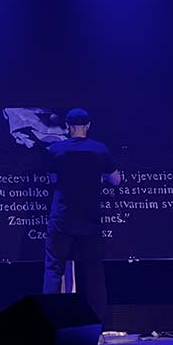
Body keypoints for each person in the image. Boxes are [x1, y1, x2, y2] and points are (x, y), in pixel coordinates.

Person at [42, 108, 122, 328]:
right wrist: (99, 177)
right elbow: (116, 180)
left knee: (53, 270)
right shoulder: (99, 149)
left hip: (62, 218)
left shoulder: (55, 150)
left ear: (67, 126)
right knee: (94, 273)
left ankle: (49, 324)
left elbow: (52, 179)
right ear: (88, 126)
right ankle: (98, 326)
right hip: (90, 219)